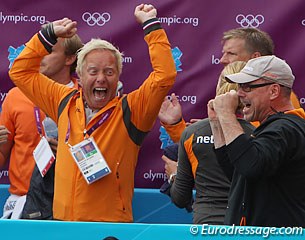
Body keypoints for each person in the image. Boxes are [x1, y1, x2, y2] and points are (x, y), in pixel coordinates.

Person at [9, 3, 176, 222]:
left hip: (108, 227)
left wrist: (151, 25)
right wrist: (47, 35)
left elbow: (164, 76)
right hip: (63, 225)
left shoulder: (133, 110)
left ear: (117, 76)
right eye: (93, 71)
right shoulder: (63, 100)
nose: (101, 79)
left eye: (109, 72)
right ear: (79, 75)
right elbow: (20, 72)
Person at [208, 55, 305, 227]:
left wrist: (227, 115)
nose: (239, 93)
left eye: (248, 87)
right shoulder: (273, 127)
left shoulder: (286, 128)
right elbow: (237, 172)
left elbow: (250, 165)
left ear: (274, 91)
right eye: (239, 86)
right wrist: (217, 123)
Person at [159, 27, 301, 143]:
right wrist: (203, 130)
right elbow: (209, 158)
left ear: (255, 58)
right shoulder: (233, 92)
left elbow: (248, 154)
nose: (222, 60)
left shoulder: (276, 100)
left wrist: (222, 125)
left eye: (231, 53)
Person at [0, 35, 83, 219]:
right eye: (37, 50)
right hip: (24, 205)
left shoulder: (84, 99)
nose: (39, 56)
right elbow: (2, 154)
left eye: (48, 51)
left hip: (72, 206)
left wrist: (69, 154)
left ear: (69, 59)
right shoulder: (15, 96)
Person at [168, 61, 255, 225]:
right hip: (246, 228)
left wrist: (174, 175)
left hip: (205, 226)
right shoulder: (259, 131)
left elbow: (180, 198)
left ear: (219, 87)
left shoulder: (192, 133)